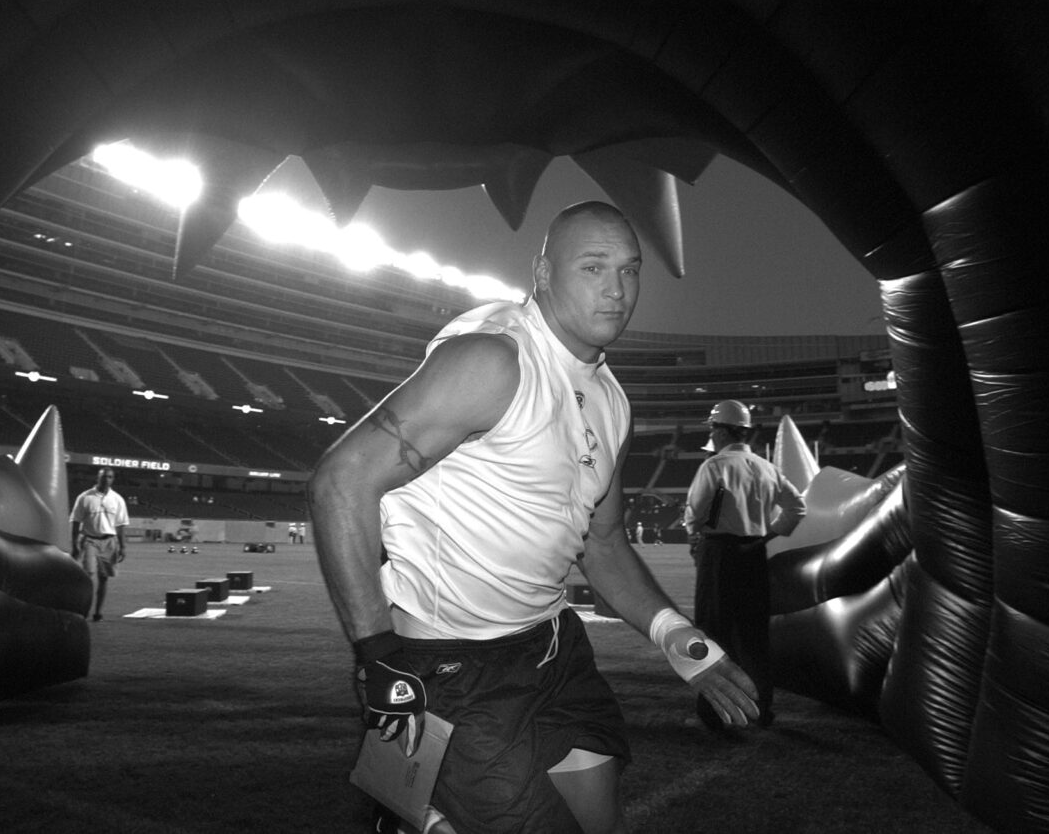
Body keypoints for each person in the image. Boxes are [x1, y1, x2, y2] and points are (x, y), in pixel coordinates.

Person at [310, 201, 760, 834]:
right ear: (543, 273)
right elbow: (341, 480)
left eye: (630, 271)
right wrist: (377, 657)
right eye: (593, 267)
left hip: (553, 645)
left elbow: (601, 544)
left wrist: (684, 647)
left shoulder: (611, 399)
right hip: (453, 664)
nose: (616, 290)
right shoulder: (493, 361)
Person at [683, 400, 806, 730]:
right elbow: (798, 508)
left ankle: (714, 712)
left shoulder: (714, 466)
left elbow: (695, 513)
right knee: (754, 636)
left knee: (714, 635)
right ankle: (761, 708)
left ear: (722, 431)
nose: (712, 434)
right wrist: (766, 537)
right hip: (753, 555)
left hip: (718, 554)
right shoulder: (766, 467)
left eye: (713, 428)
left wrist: (695, 539)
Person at [69, 467, 130, 622]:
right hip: (90, 539)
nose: (106, 479)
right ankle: (84, 610)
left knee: (104, 578)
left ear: (112, 479)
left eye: (109, 477)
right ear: (97, 478)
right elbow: (76, 521)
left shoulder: (117, 499)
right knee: (88, 575)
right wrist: (75, 543)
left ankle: (98, 612)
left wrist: (123, 546)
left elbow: (121, 525)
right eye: (103, 477)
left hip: (109, 541)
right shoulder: (85, 497)